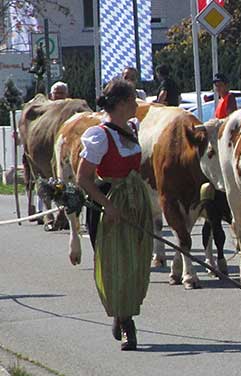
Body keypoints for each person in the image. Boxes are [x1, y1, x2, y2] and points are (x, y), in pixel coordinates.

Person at [76, 79, 154, 350]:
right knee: (117, 265)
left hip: (136, 202)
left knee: (136, 263)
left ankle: (124, 313)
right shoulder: (99, 135)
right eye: (133, 99)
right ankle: (125, 323)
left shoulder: (132, 127)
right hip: (111, 204)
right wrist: (107, 205)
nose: (136, 104)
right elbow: (83, 178)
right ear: (121, 104)